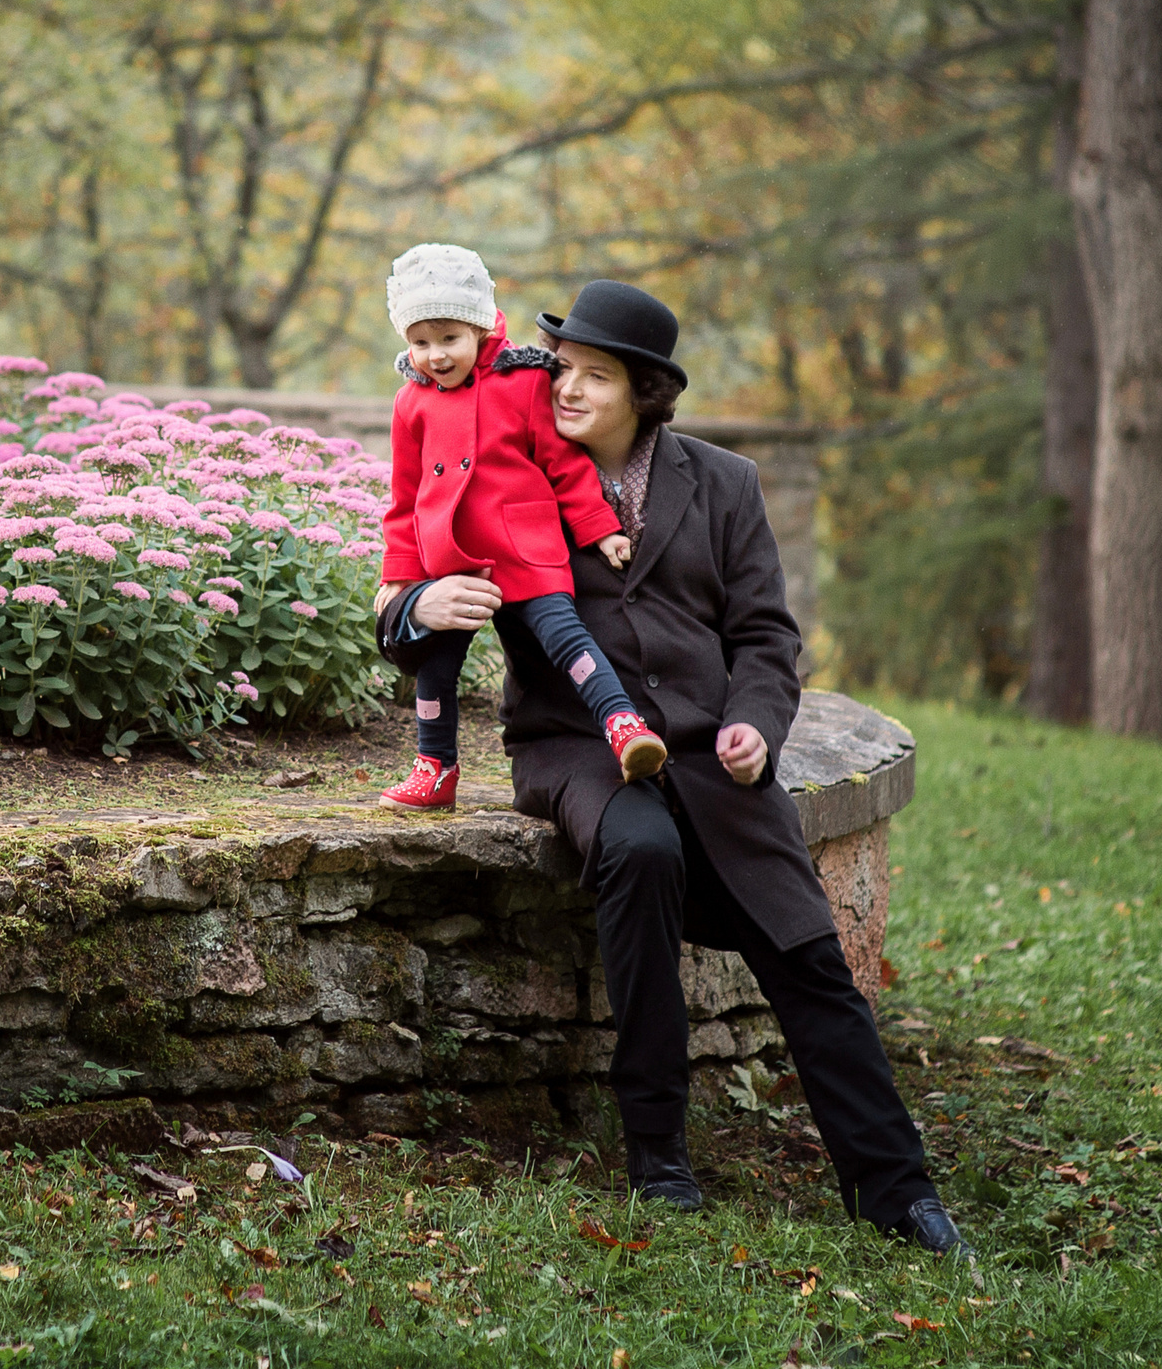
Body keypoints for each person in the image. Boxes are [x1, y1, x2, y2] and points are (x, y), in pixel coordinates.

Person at [397, 278, 965, 1255]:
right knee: (642, 853)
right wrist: (420, 610)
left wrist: (753, 727)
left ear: (646, 391)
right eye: (561, 368)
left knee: (809, 958)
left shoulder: (725, 484)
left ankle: (896, 1192)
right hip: (574, 748)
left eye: (594, 376)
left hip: (713, 759)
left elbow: (763, 638)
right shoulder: (510, 469)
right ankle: (658, 1155)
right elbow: (405, 588)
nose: (565, 389)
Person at [371, 243, 668, 811]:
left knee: (565, 637)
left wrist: (598, 527)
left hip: (525, 547)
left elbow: (564, 464)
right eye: (419, 341)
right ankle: (435, 766)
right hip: (453, 560)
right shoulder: (410, 404)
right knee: (436, 664)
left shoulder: (522, 381)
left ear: (481, 328)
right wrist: (401, 576)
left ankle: (623, 725)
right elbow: (405, 498)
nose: (435, 355)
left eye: (449, 338)